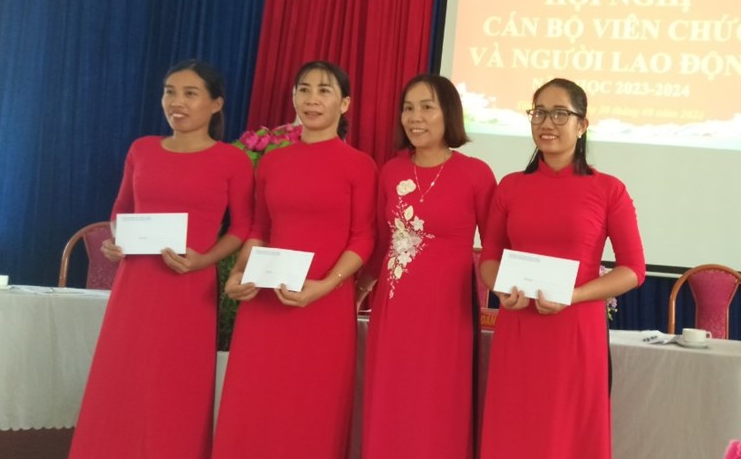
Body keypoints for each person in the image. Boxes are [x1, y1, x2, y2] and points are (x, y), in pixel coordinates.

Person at [69, 60, 254, 459]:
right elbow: (121, 209)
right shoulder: (142, 149)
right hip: (135, 283)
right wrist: (116, 239)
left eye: (190, 94)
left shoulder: (232, 160)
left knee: (177, 381)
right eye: (170, 92)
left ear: (216, 104)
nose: (177, 102)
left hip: (189, 286)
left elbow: (242, 228)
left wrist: (204, 261)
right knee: (122, 374)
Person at [213, 61, 376, 458]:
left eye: (324, 90)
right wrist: (238, 273)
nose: (312, 99)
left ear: (345, 103)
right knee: (255, 402)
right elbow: (259, 229)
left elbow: (364, 238)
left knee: (311, 408)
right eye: (304, 89)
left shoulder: (359, 165)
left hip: (324, 303)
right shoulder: (273, 162)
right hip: (265, 301)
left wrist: (325, 285)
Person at [477, 78, 645, 459]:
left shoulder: (609, 190)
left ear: (582, 125)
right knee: (515, 430)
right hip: (518, 326)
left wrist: (575, 294)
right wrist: (501, 289)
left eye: (559, 114)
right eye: (538, 113)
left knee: (569, 436)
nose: (546, 123)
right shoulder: (510, 187)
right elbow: (489, 259)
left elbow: (633, 269)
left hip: (576, 331)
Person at [359, 74, 496, 458]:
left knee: (438, 400)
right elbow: (382, 243)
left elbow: (495, 247)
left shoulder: (476, 173)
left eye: (426, 107)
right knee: (392, 396)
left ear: (448, 113)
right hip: (394, 306)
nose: (414, 117)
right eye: (408, 108)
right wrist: (357, 291)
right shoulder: (391, 171)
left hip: (448, 311)